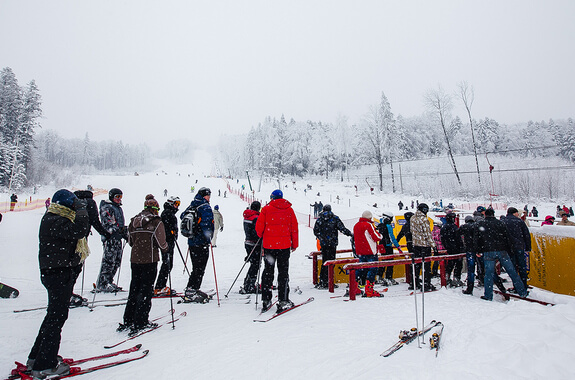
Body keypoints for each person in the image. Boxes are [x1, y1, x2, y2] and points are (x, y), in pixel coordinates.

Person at [27, 189, 89, 378]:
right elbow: (80, 230)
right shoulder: (56, 220)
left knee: (53, 316)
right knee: (57, 317)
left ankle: (36, 357)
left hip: (55, 271)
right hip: (58, 273)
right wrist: (82, 211)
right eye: (73, 204)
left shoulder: (53, 218)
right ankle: (45, 364)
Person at [119, 194, 168, 335]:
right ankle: (141, 321)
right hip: (150, 260)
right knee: (145, 290)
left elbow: (130, 241)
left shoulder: (134, 220)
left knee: (134, 288)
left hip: (135, 260)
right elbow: (161, 243)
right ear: (154, 209)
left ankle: (129, 318)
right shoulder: (156, 222)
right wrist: (166, 249)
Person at [256, 189, 299, 312]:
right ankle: (283, 299)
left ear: (272, 197)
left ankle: (266, 299)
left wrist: (264, 236)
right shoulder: (289, 210)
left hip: (269, 247)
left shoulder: (265, 209)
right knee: (283, 272)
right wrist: (294, 244)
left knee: (268, 272)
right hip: (284, 247)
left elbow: (259, 229)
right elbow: (294, 228)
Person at [474, 208, 528, 301]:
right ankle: (522, 291)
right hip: (502, 250)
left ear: (485, 215)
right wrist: (509, 249)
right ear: (494, 214)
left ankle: (488, 295)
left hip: (488, 251)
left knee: (489, 274)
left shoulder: (481, 224)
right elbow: (507, 237)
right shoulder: (500, 223)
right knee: (512, 271)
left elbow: (478, 239)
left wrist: (478, 251)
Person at [72, 189, 111, 306]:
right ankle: (67, 293)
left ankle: (66, 292)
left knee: (70, 264)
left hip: (71, 236)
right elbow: (95, 221)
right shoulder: (89, 202)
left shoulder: (74, 201)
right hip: (82, 238)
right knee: (77, 264)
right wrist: (105, 233)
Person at [182, 187, 214, 303]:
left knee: (196, 266)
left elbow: (182, 216)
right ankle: (192, 290)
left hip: (192, 241)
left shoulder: (193, 204)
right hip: (201, 242)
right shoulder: (205, 207)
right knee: (200, 267)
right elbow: (207, 224)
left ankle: (192, 288)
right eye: (208, 195)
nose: (209, 197)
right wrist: (208, 237)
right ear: (205, 196)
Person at [313, 204, 352, 289]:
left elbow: (315, 231)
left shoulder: (320, 219)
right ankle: (329, 281)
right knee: (332, 261)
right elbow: (342, 228)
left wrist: (321, 238)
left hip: (324, 244)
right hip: (332, 243)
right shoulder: (335, 218)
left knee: (324, 261)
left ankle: (323, 280)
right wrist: (350, 234)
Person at [95, 188, 127, 292]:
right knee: (109, 260)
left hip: (117, 237)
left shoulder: (118, 208)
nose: (119, 199)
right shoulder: (107, 207)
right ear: (111, 196)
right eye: (117, 196)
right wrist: (114, 231)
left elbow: (119, 223)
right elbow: (107, 222)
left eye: (120, 197)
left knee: (117, 260)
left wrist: (123, 232)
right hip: (110, 238)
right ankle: (103, 282)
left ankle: (109, 280)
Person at [353, 210, 383, 297]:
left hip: (360, 251)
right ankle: (369, 289)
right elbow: (376, 237)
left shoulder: (356, 225)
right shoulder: (368, 225)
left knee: (360, 269)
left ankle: (354, 286)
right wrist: (380, 235)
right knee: (373, 269)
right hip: (370, 251)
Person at [154, 196, 180, 295]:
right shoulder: (167, 214)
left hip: (169, 241)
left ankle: (161, 286)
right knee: (167, 264)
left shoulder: (169, 213)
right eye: (176, 204)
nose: (177, 206)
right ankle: (159, 286)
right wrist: (172, 234)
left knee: (168, 264)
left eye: (178, 204)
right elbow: (165, 229)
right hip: (167, 242)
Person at [502, 207, 532, 290]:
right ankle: (524, 284)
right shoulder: (519, 221)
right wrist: (528, 247)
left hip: (508, 248)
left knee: (512, 267)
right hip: (519, 246)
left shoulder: (503, 222)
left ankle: (516, 285)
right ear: (514, 213)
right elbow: (526, 235)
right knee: (522, 266)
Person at [410, 203, 436, 291]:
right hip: (424, 245)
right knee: (426, 266)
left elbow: (411, 231)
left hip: (416, 245)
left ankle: (414, 282)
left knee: (417, 265)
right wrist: (433, 245)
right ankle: (426, 284)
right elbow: (428, 234)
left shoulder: (412, 218)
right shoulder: (424, 219)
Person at [240, 201, 263, 294]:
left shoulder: (247, 216)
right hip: (255, 244)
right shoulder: (256, 218)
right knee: (255, 265)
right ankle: (250, 285)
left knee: (253, 264)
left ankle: (248, 283)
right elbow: (257, 232)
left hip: (248, 242)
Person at [376, 214, 402, 286]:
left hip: (381, 245)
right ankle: (388, 277)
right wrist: (397, 246)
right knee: (390, 262)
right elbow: (391, 237)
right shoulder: (388, 226)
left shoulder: (380, 225)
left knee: (383, 261)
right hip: (387, 246)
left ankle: (379, 276)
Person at [440, 213, 464, 287]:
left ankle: (447, 277)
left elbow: (442, 238)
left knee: (450, 263)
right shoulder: (454, 227)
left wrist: (447, 246)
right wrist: (461, 247)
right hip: (456, 248)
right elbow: (458, 238)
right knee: (458, 264)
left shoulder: (444, 227)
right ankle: (456, 278)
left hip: (449, 248)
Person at [460, 216, 477, 295]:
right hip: (479, 250)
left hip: (469, 250)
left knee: (471, 270)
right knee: (486, 269)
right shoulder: (477, 225)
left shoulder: (464, 227)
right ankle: (499, 285)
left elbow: (458, 233)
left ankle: (470, 288)